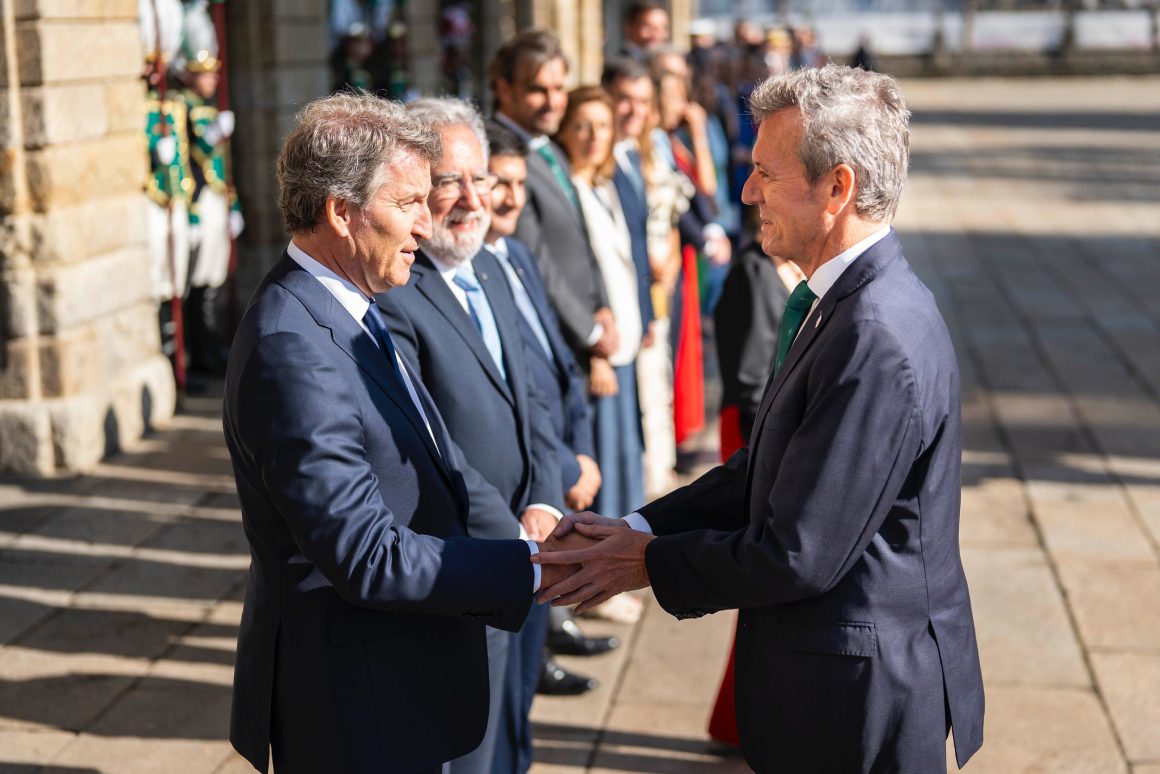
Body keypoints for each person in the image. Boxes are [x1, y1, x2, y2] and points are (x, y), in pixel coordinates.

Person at [536, 65, 986, 772]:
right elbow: (765, 469)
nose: (745, 193)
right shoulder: (840, 300)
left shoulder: (874, 333)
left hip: (855, 703)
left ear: (837, 188)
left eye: (765, 175)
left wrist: (645, 563)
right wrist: (640, 527)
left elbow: (800, 551)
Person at [222, 93, 582, 774]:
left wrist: (535, 537)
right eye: (409, 202)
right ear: (340, 210)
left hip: (399, 675)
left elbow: (439, 463)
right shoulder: (291, 345)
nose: (427, 222)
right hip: (359, 697)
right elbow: (363, 553)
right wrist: (530, 568)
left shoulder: (352, 302)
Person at [374, 97, 563, 774]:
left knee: (514, 731)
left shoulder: (491, 268)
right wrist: (512, 536)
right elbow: (429, 447)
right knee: (465, 751)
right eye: (448, 180)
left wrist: (546, 499)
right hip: (465, 564)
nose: (470, 198)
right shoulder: (396, 292)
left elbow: (535, 397)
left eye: (478, 178)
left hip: (530, 552)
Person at [490, 29, 616, 368]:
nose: (553, 101)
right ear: (504, 89)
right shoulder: (498, 157)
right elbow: (534, 257)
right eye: (537, 90)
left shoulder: (548, 148)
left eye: (559, 88)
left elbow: (582, 238)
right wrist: (590, 332)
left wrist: (603, 306)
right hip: (555, 345)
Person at [555, 86, 646, 526]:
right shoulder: (567, 189)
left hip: (625, 337)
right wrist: (596, 352)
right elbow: (579, 279)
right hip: (600, 351)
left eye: (603, 126)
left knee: (627, 453)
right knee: (605, 458)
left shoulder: (604, 184)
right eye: (582, 126)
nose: (595, 136)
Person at [177, 49, 243, 374]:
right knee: (198, 276)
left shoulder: (209, 107)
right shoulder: (183, 107)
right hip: (199, 200)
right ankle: (199, 350)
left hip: (217, 198)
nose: (212, 79)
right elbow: (192, 155)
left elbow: (223, 164)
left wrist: (234, 204)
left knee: (215, 275)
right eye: (204, 73)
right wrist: (214, 134)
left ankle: (212, 343)